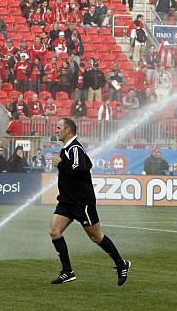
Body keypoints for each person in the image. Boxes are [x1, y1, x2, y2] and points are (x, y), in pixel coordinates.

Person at [49, 118, 131, 285]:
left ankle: (121, 264)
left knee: (95, 237)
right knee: (54, 231)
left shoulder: (75, 148)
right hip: (67, 201)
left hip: (82, 202)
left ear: (68, 131)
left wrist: (60, 164)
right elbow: (88, 163)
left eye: (58, 128)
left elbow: (80, 168)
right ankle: (67, 272)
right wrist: (63, 164)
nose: (55, 130)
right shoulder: (68, 149)